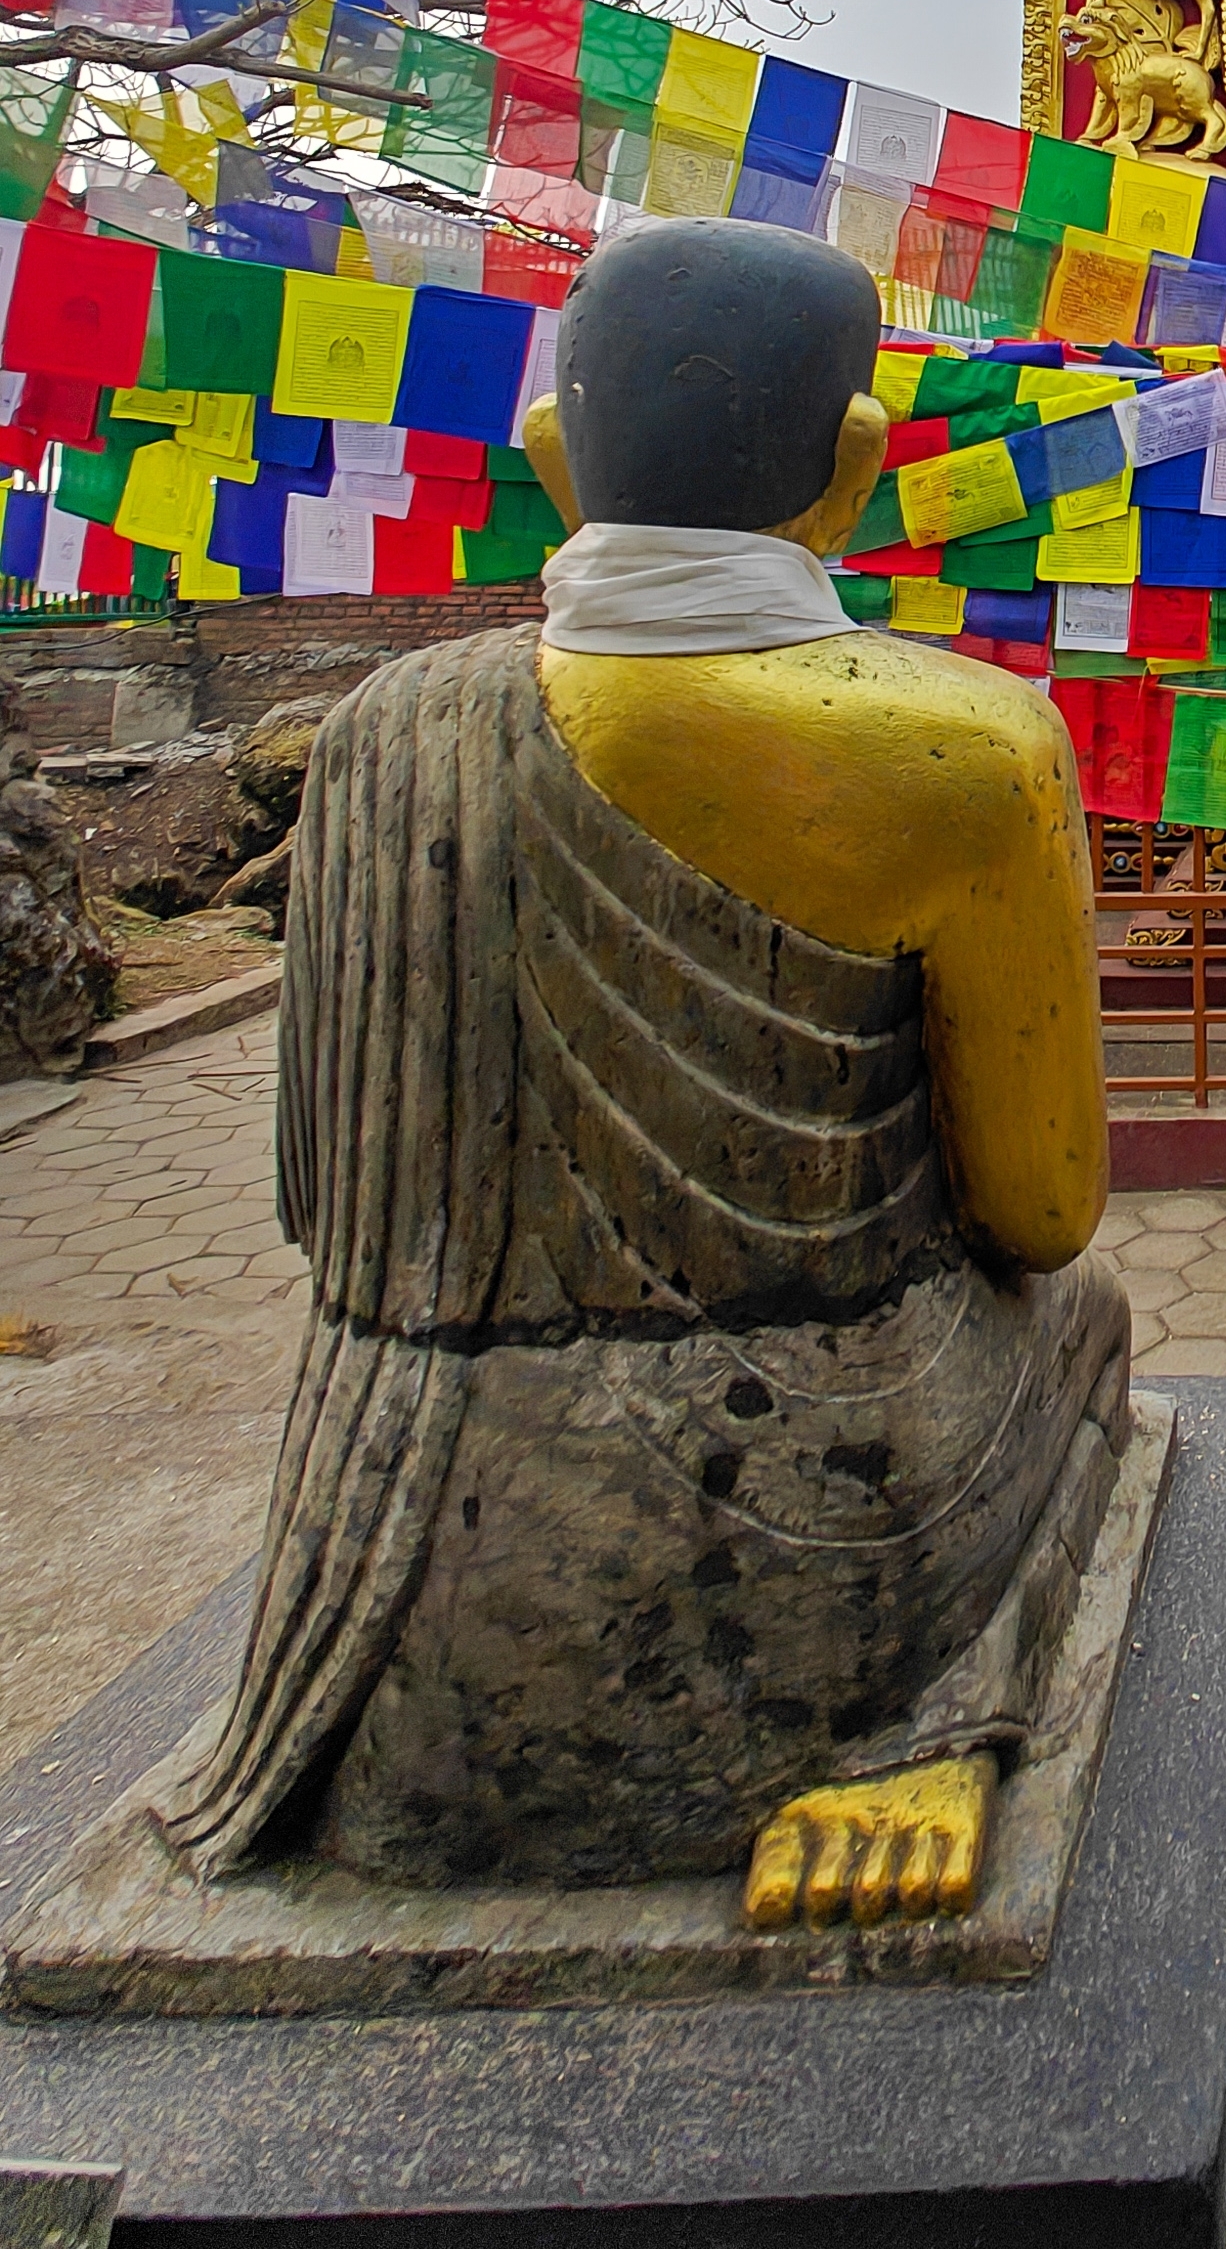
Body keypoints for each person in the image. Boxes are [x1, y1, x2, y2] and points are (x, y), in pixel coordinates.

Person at [164, 220, 1129, 1926]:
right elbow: (1042, 1213)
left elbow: (323, 1212)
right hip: (838, 1511)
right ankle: (924, 1717)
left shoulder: (382, 736)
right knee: (1095, 1321)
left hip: (410, 1546)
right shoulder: (962, 745)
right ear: (859, 461)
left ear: (550, 454)